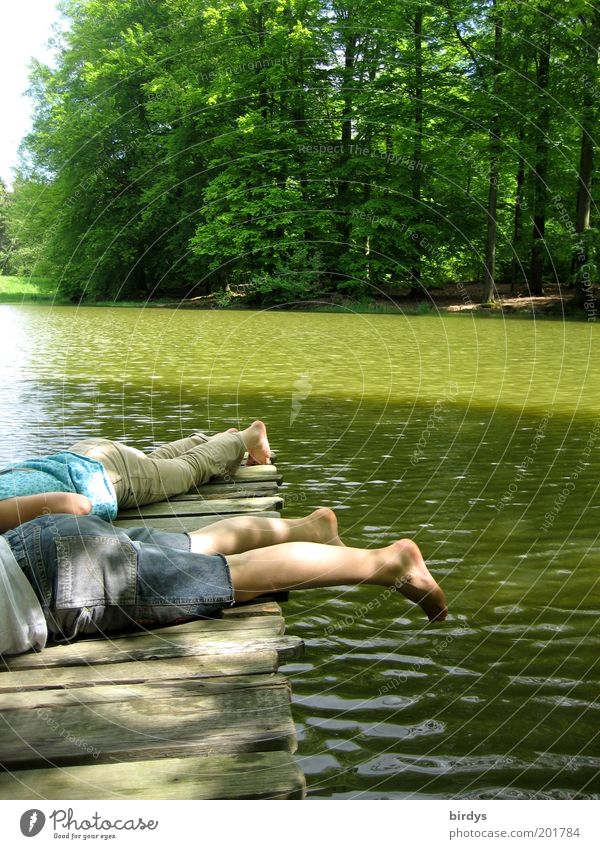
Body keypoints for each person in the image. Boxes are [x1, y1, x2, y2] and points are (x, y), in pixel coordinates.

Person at [0, 508, 448, 657]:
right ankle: (309, 530)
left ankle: (386, 564)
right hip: (34, 539)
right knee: (198, 544)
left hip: (53, 583)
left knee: (235, 574)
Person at [0, 421, 272, 534]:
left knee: (188, 471)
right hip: (85, 455)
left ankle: (248, 437)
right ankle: (215, 441)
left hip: (105, 479)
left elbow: (76, 505)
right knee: (157, 466)